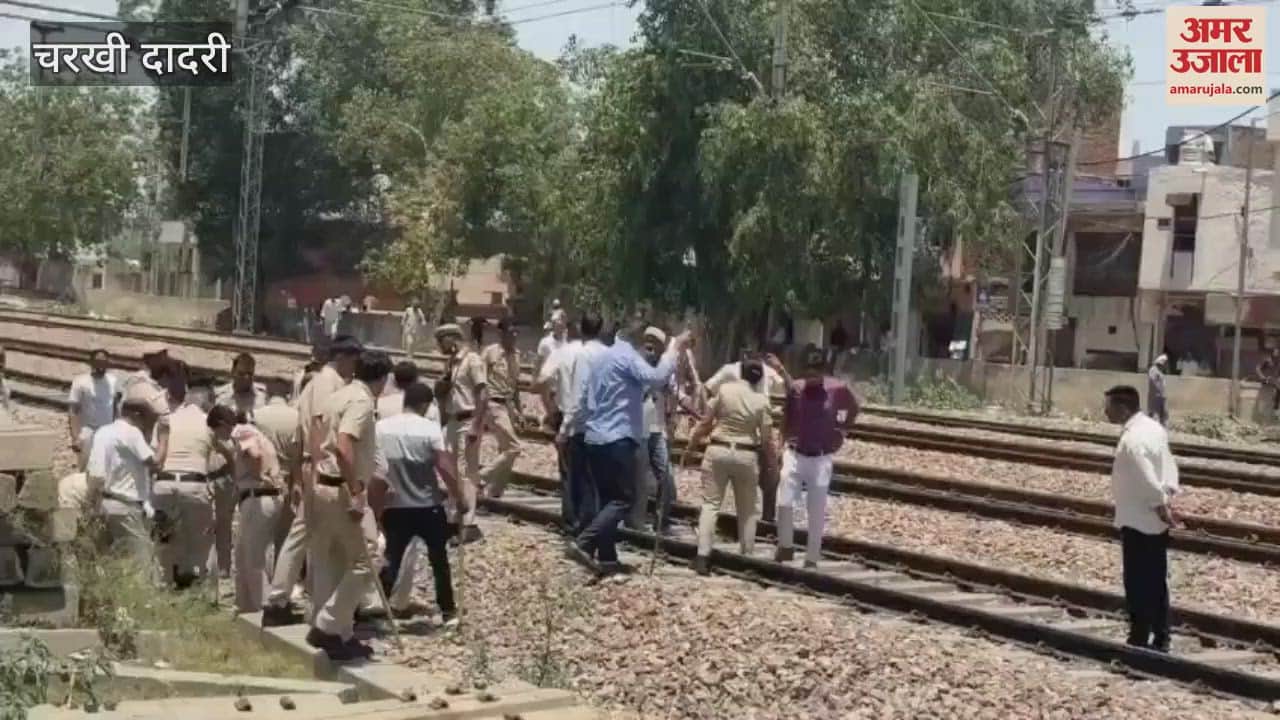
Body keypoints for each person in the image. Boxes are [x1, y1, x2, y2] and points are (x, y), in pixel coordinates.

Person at [565, 316, 690, 576]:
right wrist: (673, 350)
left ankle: (608, 559)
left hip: (594, 438)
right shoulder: (626, 356)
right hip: (617, 439)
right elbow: (656, 378)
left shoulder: (600, 361)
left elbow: (589, 399)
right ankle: (584, 542)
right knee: (624, 500)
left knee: (607, 501)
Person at [261, 335, 361, 628]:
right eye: (353, 360)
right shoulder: (327, 383)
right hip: (319, 465)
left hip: (310, 465)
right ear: (342, 356)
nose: (354, 368)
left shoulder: (315, 381)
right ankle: (281, 598)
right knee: (304, 533)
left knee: (311, 535)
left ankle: (304, 603)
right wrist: (317, 469)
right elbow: (319, 426)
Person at [306, 349, 390, 661]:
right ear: (382, 379)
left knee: (336, 561)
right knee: (368, 559)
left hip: (322, 485)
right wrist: (356, 490)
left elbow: (316, 436)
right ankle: (327, 625)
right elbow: (344, 446)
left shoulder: (339, 395)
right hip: (343, 489)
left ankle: (342, 634)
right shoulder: (362, 402)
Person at [371, 382, 466, 626]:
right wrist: (459, 497)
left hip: (395, 505)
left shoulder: (381, 428)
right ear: (425, 405)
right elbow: (444, 467)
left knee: (392, 558)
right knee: (439, 561)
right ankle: (448, 610)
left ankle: (380, 607)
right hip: (427, 506)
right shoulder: (430, 429)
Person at [1104, 384, 1180, 652]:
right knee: (1157, 580)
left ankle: (1138, 636)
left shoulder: (1132, 439)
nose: (1105, 412)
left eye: (1109, 407)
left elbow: (1146, 476)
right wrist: (1169, 494)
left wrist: (1159, 503)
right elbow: (1169, 465)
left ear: (1123, 408)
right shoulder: (1155, 429)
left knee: (1137, 582)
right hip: (1155, 521)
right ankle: (1161, 636)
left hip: (1137, 518)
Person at [772, 345, 858, 569]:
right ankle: (786, 546)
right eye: (808, 373)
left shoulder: (837, 389)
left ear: (823, 373)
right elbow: (785, 417)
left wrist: (843, 429)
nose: (811, 379)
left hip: (821, 458)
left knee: (816, 508)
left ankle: (811, 557)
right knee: (784, 502)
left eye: (816, 374)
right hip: (795, 453)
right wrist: (779, 444)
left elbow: (854, 407)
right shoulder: (797, 389)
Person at [686, 358, 772, 574]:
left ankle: (702, 557)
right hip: (746, 454)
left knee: (711, 504)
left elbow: (705, 423)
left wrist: (691, 447)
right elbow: (766, 438)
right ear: (760, 377)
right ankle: (747, 556)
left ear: (740, 373)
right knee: (747, 509)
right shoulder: (762, 401)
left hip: (718, 450)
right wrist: (771, 463)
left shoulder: (724, 391)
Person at [207, 405, 285, 614]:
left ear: (222, 425)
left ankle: (264, 609)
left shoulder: (241, 431)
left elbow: (255, 455)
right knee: (241, 558)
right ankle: (246, 608)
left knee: (254, 560)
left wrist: (259, 475)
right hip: (254, 499)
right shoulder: (248, 432)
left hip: (258, 497)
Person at [152, 377, 225, 588]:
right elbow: (221, 457)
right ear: (207, 402)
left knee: (164, 541)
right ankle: (201, 589)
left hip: (164, 485)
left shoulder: (167, 420)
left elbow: (157, 455)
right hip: (194, 485)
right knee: (201, 543)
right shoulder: (208, 423)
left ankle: (163, 586)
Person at [546, 311, 605, 535]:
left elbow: (578, 395)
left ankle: (580, 528)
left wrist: (564, 428)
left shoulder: (583, 355)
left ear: (581, 329)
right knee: (597, 480)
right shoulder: (607, 353)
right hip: (604, 426)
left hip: (582, 427)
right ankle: (595, 527)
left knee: (579, 479)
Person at [86, 396, 161, 566]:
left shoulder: (102, 431)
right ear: (136, 415)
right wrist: (163, 440)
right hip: (126, 506)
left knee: (110, 560)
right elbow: (154, 464)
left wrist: (91, 504)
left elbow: (95, 472)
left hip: (104, 503)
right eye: (147, 421)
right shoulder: (132, 432)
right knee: (141, 561)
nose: (146, 426)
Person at [212, 353, 268, 574]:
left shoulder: (261, 396)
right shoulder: (221, 396)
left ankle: (250, 569)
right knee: (223, 519)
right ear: (232, 373)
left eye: (250, 375)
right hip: (227, 462)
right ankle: (224, 567)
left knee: (252, 520)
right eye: (241, 374)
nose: (246, 379)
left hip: (252, 464)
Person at [434, 323, 487, 543]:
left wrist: (476, 424)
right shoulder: (451, 364)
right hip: (453, 422)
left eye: (441, 341)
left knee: (466, 473)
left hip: (467, 420)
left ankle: (469, 523)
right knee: (452, 472)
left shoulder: (472, 360)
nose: (439, 347)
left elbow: (482, 394)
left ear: (451, 338)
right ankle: (456, 515)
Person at [636, 327, 677, 533]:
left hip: (657, 429)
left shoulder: (665, 370)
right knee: (639, 478)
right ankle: (636, 522)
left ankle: (662, 521)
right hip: (638, 429)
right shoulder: (636, 364)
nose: (650, 346)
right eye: (647, 341)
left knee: (666, 476)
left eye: (655, 343)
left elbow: (674, 394)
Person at [479, 318, 524, 498]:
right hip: (493, 404)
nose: (513, 336)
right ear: (501, 333)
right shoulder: (490, 353)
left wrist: (519, 411)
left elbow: (516, 386)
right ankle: (481, 476)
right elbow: (480, 381)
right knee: (514, 448)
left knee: (505, 449)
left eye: (515, 333)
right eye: (510, 332)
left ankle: (494, 492)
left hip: (508, 405)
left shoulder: (517, 355)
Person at [116, 342, 172, 469]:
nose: (166, 361)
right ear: (150, 360)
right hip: (142, 446)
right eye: (161, 357)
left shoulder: (160, 382)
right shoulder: (139, 382)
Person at [68, 349, 117, 470]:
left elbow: (115, 407)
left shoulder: (113, 381)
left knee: (107, 468)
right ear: (91, 363)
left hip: (108, 431)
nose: (101, 365)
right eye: (98, 362)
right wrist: (75, 437)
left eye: (104, 362)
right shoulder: (80, 382)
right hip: (87, 431)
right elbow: (73, 410)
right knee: (86, 467)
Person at [535, 316, 568, 417]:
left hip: (563, 383)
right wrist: (535, 379)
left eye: (562, 325)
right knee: (548, 411)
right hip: (549, 383)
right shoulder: (545, 342)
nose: (560, 327)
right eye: (557, 325)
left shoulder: (568, 342)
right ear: (553, 326)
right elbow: (538, 362)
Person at [1147, 354, 1169, 427]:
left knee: (1162, 414)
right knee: (1153, 413)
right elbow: (1153, 382)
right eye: (1165, 362)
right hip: (1155, 395)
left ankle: (1161, 427)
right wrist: (1159, 391)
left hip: (1161, 395)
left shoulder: (1160, 371)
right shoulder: (1153, 370)